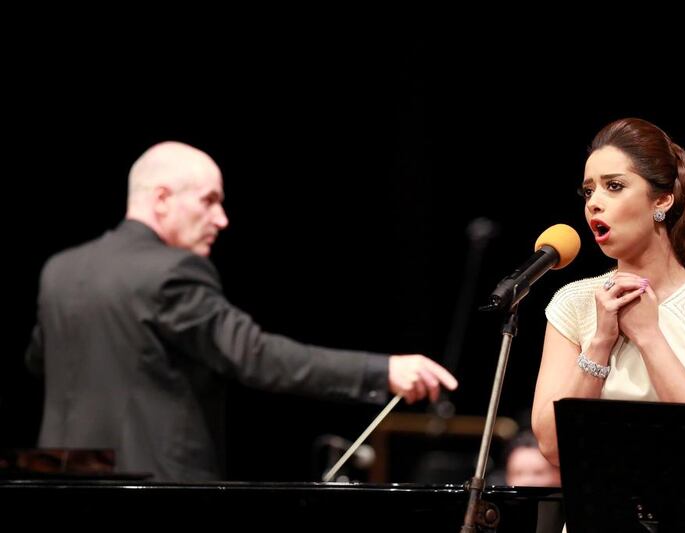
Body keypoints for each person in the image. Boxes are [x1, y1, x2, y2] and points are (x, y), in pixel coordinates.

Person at [25, 141, 458, 482]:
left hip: (61, 486)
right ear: (161, 198)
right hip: (153, 492)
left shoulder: (59, 270)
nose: (222, 219)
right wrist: (380, 370)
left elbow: (40, 363)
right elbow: (256, 355)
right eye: (209, 200)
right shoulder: (173, 271)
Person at [531, 118, 685, 466]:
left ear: (663, 200)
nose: (594, 203)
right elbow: (552, 446)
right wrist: (599, 343)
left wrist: (649, 336)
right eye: (588, 190)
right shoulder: (573, 302)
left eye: (614, 186)